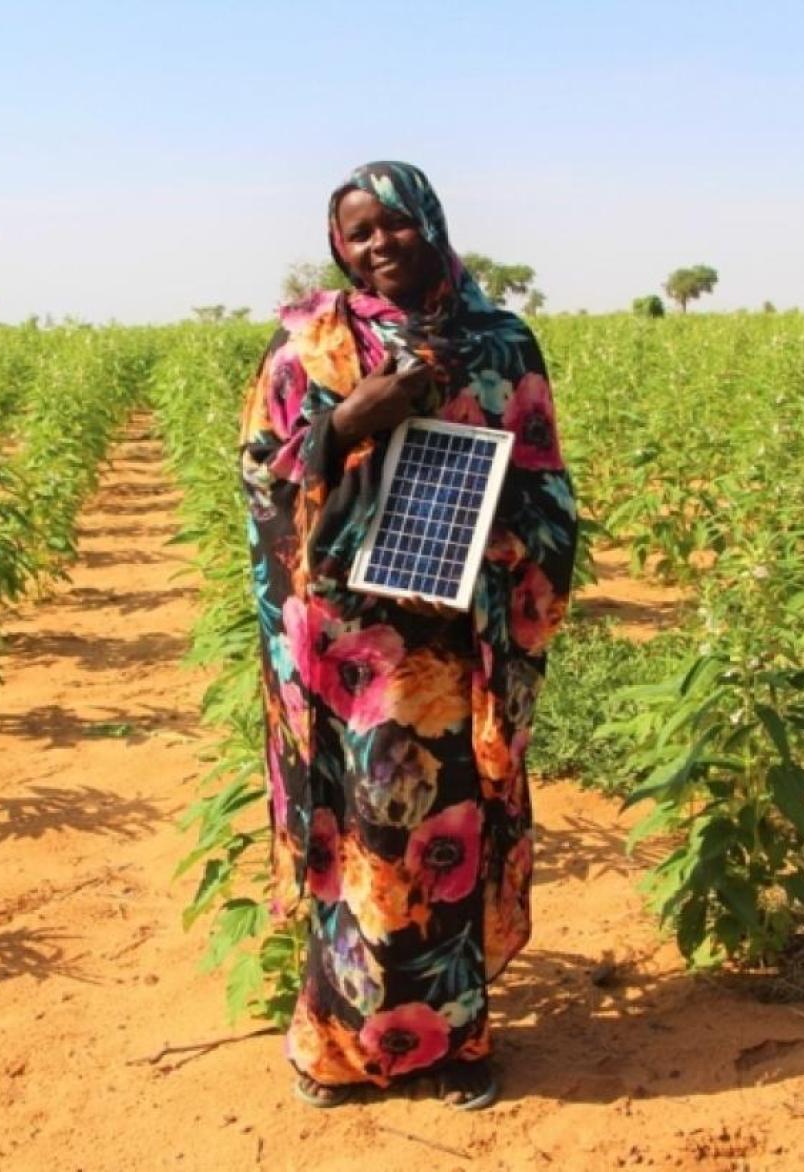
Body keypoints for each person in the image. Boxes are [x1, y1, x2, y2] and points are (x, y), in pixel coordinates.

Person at [238, 161, 579, 1110]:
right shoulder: (311, 343)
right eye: (359, 231)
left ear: (431, 224)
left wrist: (495, 556)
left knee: (443, 833)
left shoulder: (500, 344)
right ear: (338, 243)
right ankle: (335, 1048)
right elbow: (263, 475)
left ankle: (456, 1041)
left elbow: (546, 485)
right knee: (354, 841)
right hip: (347, 646)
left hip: (451, 644)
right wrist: (352, 416)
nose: (379, 243)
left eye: (395, 224)